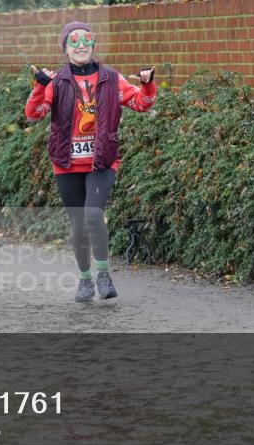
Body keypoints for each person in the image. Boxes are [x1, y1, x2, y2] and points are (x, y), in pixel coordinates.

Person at [24, 21, 156, 303]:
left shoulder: (111, 78)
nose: (81, 46)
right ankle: (85, 279)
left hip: (102, 160)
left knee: (93, 215)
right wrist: (39, 87)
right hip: (66, 163)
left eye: (86, 41)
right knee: (78, 224)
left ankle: (104, 274)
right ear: (65, 49)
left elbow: (142, 105)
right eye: (74, 42)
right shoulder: (57, 81)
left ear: (93, 46)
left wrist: (147, 86)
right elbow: (34, 114)